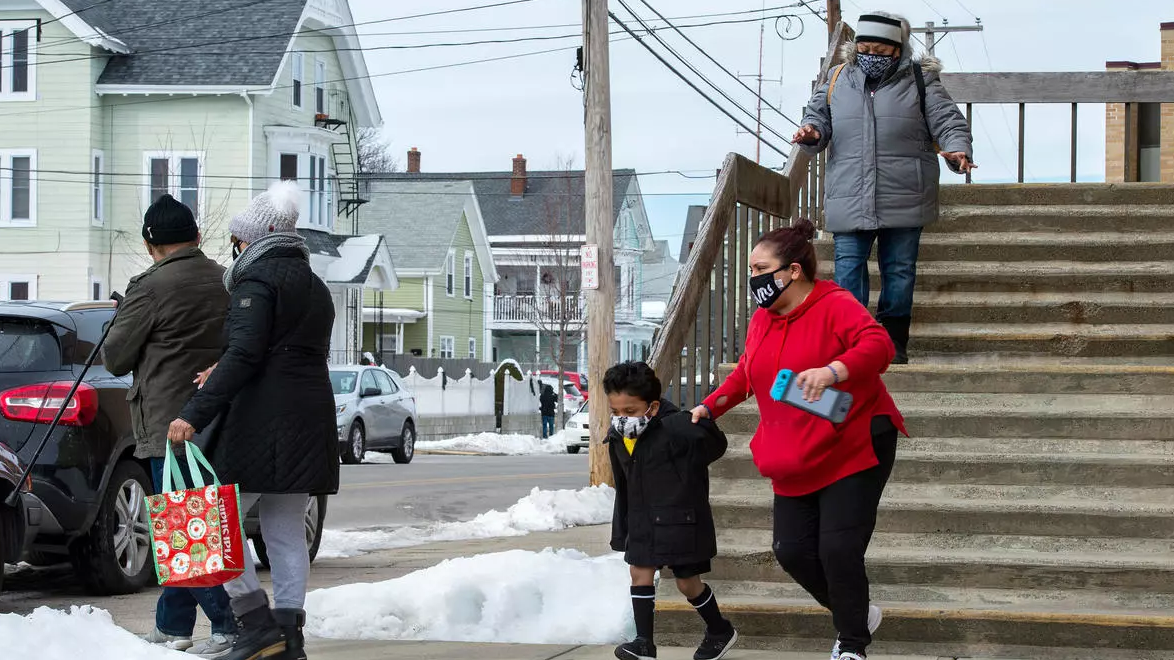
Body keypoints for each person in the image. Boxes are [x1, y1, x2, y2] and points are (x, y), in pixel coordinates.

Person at [691, 220, 905, 660]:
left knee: (838, 548)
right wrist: (710, 406)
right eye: (751, 269)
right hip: (795, 452)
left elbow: (879, 345)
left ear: (792, 271)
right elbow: (747, 372)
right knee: (791, 551)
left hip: (854, 440)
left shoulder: (835, 304)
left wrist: (833, 371)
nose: (754, 278)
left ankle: (851, 644)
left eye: (760, 268)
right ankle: (857, 614)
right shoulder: (763, 319)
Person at [167, 181, 339, 660]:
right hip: (309, 416)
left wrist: (192, 414)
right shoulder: (315, 285)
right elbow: (282, 350)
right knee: (286, 529)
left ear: (252, 240)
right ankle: (288, 636)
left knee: (212, 520)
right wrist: (222, 366)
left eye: (235, 240)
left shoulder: (257, 281)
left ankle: (255, 622)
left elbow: (246, 353)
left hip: (262, 421)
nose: (234, 248)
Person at [792, 11, 975, 364]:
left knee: (899, 270)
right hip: (850, 192)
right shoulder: (837, 78)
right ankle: (852, 338)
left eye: (880, 50)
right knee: (848, 269)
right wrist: (811, 132)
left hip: (905, 191)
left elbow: (949, 122)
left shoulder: (920, 79)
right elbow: (817, 117)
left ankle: (892, 341)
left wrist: (958, 150)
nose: (871, 56)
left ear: (898, 49)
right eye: (864, 48)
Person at [101, 194, 237, 658]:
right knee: (187, 524)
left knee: (183, 532)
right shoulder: (227, 279)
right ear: (196, 236)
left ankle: (227, 626)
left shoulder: (149, 287)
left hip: (169, 425)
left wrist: (122, 317)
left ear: (149, 243)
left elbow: (116, 358)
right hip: (218, 419)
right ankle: (172, 626)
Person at [605, 361, 736, 660]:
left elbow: (716, 445)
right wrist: (622, 528)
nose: (623, 419)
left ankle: (719, 630)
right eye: (616, 411)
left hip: (680, 520)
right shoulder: (618, 436)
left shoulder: (677, 428)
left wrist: (698, 423)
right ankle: (644, 644)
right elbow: (623, 486)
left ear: (652, 407)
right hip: (642, 519)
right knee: (639, 572)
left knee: (688, 583)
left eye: (630, 411)